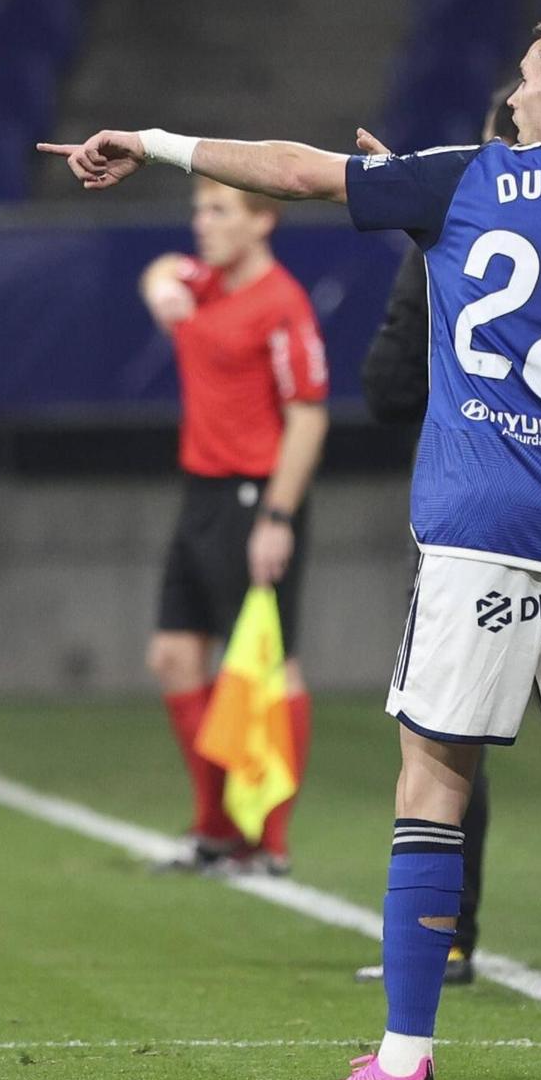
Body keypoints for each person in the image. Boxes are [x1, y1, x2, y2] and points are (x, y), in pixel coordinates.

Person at [40, 13, 541, 1080]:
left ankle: (404, 1057)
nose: (511, 86)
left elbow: (297, 172)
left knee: (433, 785)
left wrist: (154, 141)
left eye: (525, 73)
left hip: (474, 530)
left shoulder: (469, 179)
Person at [353, 89, 541, 988]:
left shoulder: (460, 210)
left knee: (446, 748)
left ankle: (444, 952)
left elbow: (389, 383)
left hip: (478, 518)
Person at [138, 180, 327, 877]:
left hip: (255, 497)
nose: (202, 223)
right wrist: (160, 287)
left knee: (266, 664)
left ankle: (268, 840)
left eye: (219, 211)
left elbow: (309, 413)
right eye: (198, 209)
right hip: (201, 493)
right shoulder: (204, 282)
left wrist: (277, 516)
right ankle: (218, 827)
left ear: (263, 220)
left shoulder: (281, 305)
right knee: (175, 656)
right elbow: (159, 270)